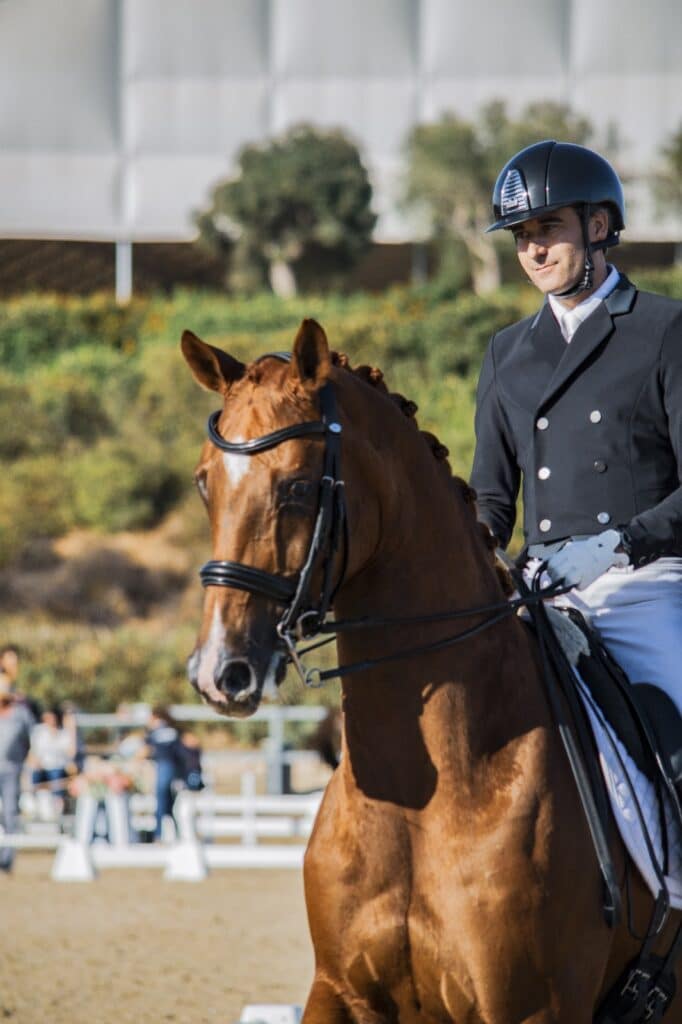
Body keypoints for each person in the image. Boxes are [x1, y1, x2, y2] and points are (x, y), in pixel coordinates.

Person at [470, 140, 682, 779]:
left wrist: (615, 545)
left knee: (676, 757)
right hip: (538, 593)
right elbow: (492, 498)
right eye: (521, 236)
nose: (533, 250)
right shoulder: (507, 352)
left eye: (548, 228)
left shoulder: (663, 330)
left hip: (639, 588)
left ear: (597, 226)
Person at [0, 675, 35, 873]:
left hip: (12, 770)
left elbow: (31, 739)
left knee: (10, 813)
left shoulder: (20, 714)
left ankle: (6, 860)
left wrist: (28, 764)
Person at [140, 705, 186, 839]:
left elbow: (146, 750)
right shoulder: (174, 730)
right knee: (171, 803)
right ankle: (176, 834)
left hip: (162, 767)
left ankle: (159, 835)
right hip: (175, 769)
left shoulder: (153, 731)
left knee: (161, 801)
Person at [29, 704, 78, 810]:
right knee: (35, 774)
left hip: (58, 767)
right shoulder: (40, 731)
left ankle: (57, 806)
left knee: (55, 774)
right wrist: (36, 763)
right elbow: (34, 752)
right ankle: (38, 804)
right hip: (42, 767)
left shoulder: (63, 733)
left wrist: (71, 729)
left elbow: (71, 752)